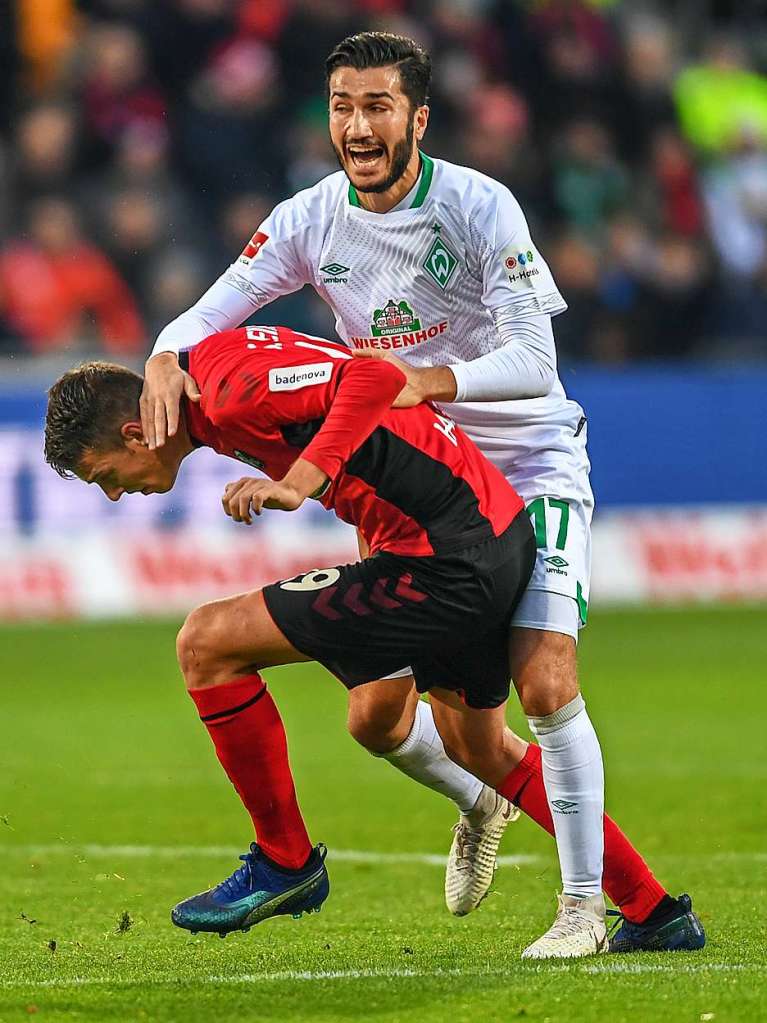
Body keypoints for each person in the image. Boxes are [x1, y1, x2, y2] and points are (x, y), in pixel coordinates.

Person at [138, 33, 704, 956]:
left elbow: (533, 361)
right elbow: (207, 310)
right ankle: (481, 803)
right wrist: (165, 354)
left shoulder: (480, 206)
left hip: (523, 467)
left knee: (545, 678)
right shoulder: (311, 218)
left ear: (418, 118)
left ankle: (585, 909)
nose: (356, 126)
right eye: (340, 107)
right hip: (416, 487)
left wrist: (424, 380)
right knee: (378, 720)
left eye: (377, 106)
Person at [44, 326, 540, 946]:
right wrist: (166, 355)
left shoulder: (229, 391)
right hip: (404, 532)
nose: (115, 493)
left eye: (105, 476)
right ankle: (543, 840)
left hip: (445, 541)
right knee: (377, 721)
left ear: (135, 435)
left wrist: (298, 483)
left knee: (207, 642)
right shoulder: (211, 387)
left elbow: (373, 376)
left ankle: (286, 860)